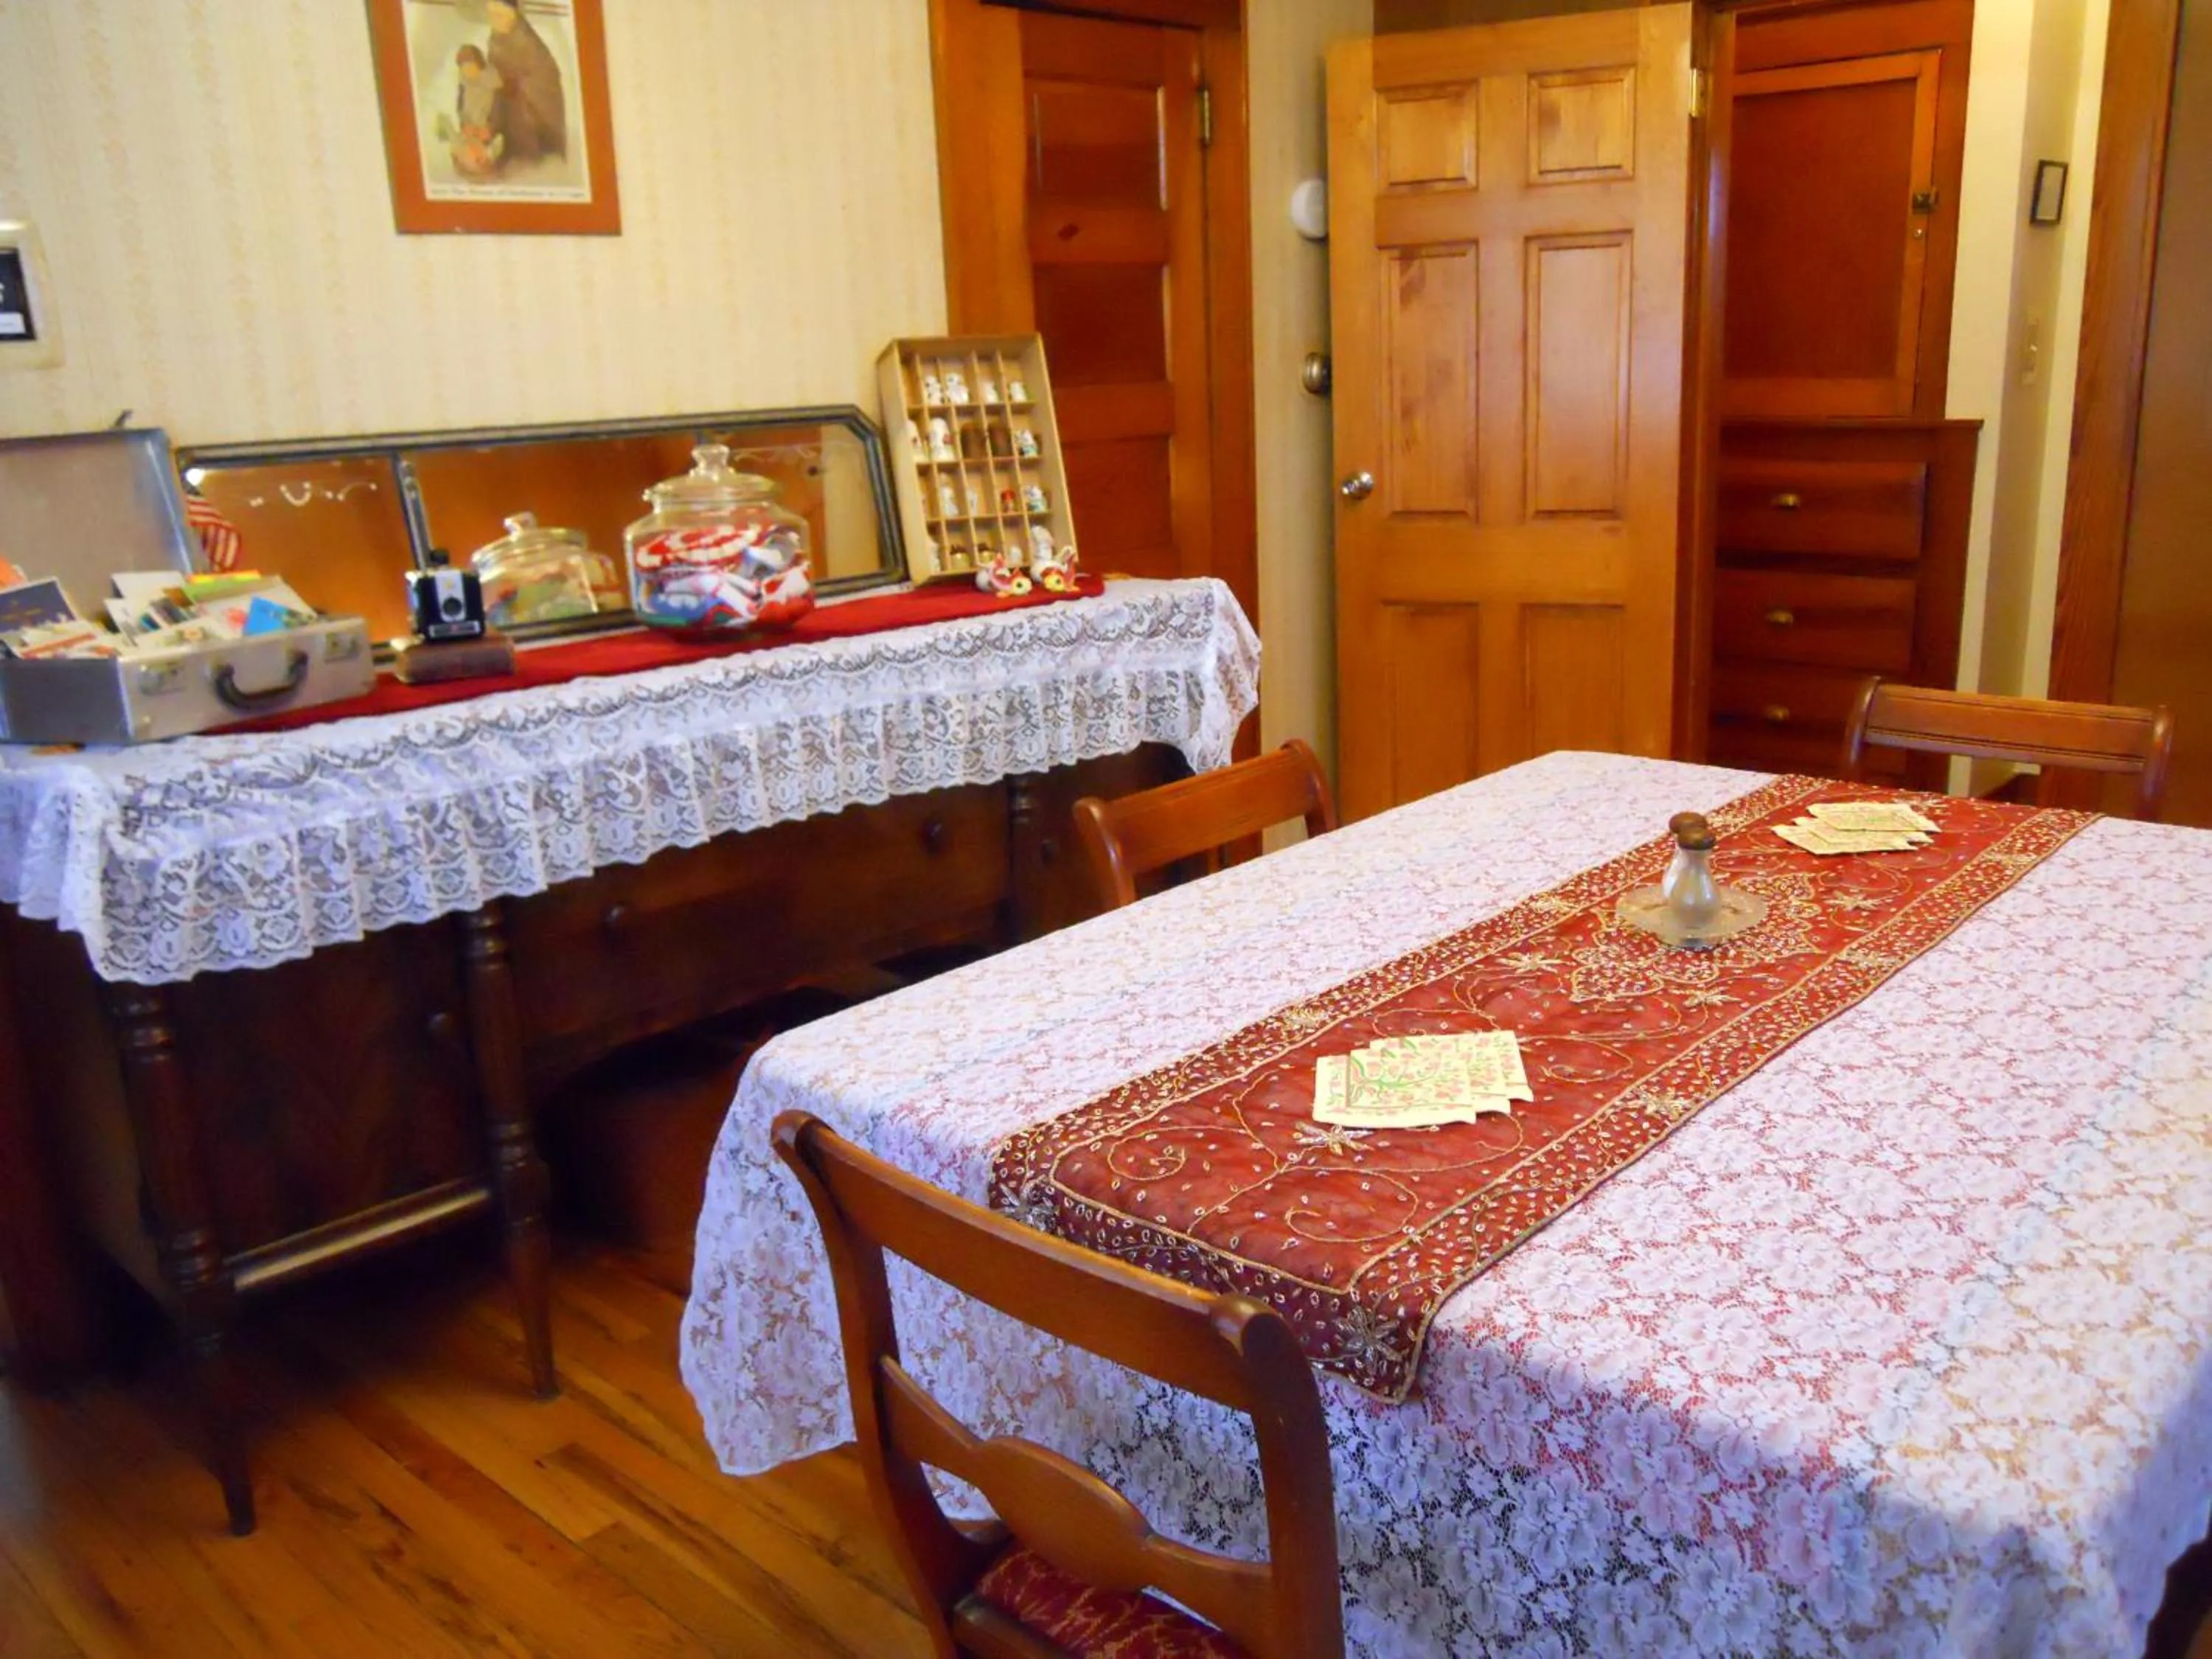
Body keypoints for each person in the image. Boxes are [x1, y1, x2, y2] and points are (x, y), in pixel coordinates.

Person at [484, 0, 567, 167]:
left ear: (514, 15)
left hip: (529, 102)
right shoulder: (495, 38)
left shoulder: (527, 42)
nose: (494, 20)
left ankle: (529, 155)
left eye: (499, 15)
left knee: (522, 120)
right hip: (505, 95)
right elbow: (492, 68)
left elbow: (547, 75)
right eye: (491, 15)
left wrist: (517, 84)